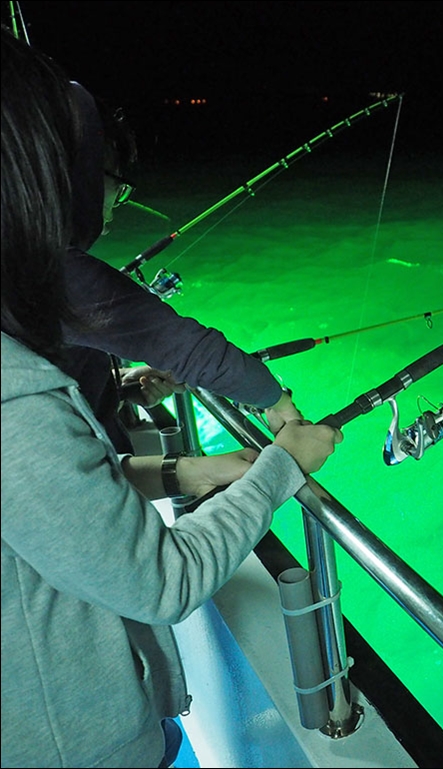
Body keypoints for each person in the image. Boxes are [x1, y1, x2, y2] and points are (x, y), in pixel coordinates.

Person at [0, 26, 343, 768]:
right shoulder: (14, 399)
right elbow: (162, 583)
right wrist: (284, 457)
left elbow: (41, 506)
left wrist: (185, 474)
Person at [61, 81, 303, 454]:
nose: (118, 200)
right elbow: (192, 351)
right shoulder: (49, 272)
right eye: (112, 181)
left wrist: (118, 386)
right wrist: (277, 401)